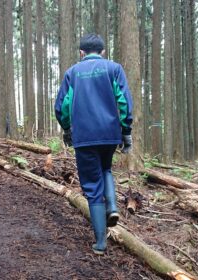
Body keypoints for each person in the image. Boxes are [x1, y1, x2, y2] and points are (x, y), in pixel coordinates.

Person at [54, 34, 133, 255]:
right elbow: (124, 101)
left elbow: (62, 106)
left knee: (91, 185)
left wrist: (67, 128)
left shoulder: (72, 73)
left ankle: (100, 242)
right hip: (110, 134)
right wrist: (126, 131)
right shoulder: (114, 68)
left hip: (85, 137)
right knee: (106, 168)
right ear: (103, 52)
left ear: (81, 53)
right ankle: (113, 207)